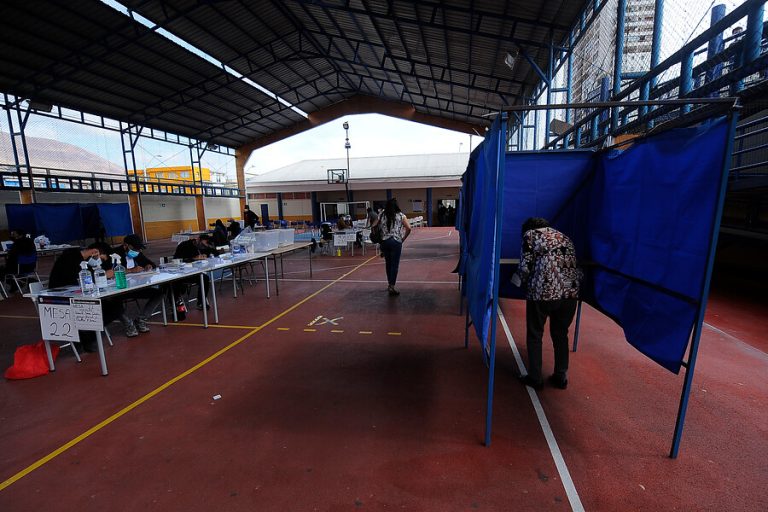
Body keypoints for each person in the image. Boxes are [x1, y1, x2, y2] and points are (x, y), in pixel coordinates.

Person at [513, 217, 581, 390]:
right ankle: (561, 376)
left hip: (543, 292)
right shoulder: (564, 237)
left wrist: (515, 282)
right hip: (569, 294)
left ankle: (535, 378)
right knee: (560, 334)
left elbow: (524, 267)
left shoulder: (530, 235)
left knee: (535, 334)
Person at [48, 243, 137, 351]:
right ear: (94, 252)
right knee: (110, 307)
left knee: (115, 304)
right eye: (100, 258)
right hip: (62, 299)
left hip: (79, 294)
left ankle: (88, 332)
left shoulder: (82, 261)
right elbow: (77, 280)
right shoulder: (70, 258)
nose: (101, 261)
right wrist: (104, 274)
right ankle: (87, 332)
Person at [111, 234, 164, 334]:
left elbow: (150, 263)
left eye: (139, 249)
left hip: (135, 287)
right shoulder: (114, 254)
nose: (137, 251)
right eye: (135, 248)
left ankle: (142, 319)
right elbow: (111, 273)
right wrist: (131, 270)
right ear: (126, 245)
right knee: (112, 300)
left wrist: (148, 266)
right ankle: (128, 324)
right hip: (119, 288)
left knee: (159, 293)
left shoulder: (136, 253)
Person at [372, 198, 411, 296]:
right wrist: (403, 239)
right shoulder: (401, 216)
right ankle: (392, 286)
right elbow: (409, 228)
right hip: (396, 241)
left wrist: (377, 234)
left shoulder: (382, 215)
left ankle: (389, 283)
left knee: (388, 264)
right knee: (395, 265)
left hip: (384, 242)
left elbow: (373, 226)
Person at [172, 234, 219, 310]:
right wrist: (193, 258)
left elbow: (215, 253)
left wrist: (209, 249)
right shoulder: (184, 245)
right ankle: (176, 303)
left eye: (204, 247)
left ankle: (201, 302)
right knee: (203, 278)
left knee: (205, 278)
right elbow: (177, 260)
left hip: (196, 272)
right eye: (202, 245)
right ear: (198, 239)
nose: (202, 248)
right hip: (183, 273)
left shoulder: (204, 246)